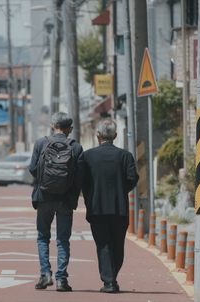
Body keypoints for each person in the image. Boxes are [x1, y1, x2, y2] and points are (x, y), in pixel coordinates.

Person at [81, 118, 139, 293]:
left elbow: (83, 181)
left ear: (97, 135)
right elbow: (132, 179)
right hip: (119, 207)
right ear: (115, 135)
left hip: (96, 207)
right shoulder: (125, 156)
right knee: (118, 244)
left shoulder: (87, 156)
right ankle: (112, 278)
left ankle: (109, 281)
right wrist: (120, 190)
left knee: (103, 244)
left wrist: (90, 196)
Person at [28, 112, 84, 292]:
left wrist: (45, 182)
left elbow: (33, 169)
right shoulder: (76, 148)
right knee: (63, 239)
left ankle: (45, 274)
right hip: (66, 200)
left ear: (52, 126)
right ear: (71, 129)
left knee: (43, 237)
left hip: (44, 198)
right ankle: (61, 279)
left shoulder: (40, 143)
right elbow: (80, 176)